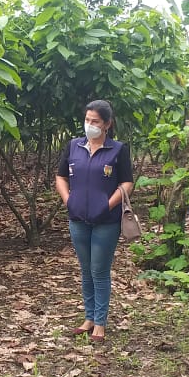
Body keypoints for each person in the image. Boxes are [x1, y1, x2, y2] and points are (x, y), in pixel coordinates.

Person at [55, 100, 133, 344]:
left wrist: (107, 204)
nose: (90, 125)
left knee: (99, 270)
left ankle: (100, 322)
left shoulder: (118, 150)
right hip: (78, 218)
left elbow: (127, 183)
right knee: (86, 269)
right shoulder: (74, 146)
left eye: (95, 121)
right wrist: (68, 200)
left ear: (107, 124)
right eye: (87, 120)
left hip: (106, 221)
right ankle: (88, 317)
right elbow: (60, 177)